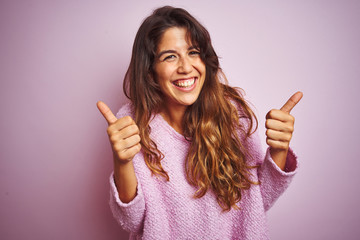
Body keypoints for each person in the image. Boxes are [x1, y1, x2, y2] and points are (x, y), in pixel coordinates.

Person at [97, 6, 303, 240]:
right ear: (150, 71)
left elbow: (258, 202)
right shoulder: (132, 125)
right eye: (170, 56)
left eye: (193, 52)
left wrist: (279, 149)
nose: (186, 67)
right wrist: (122, 161)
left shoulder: (231, 112)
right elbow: (132, 221)